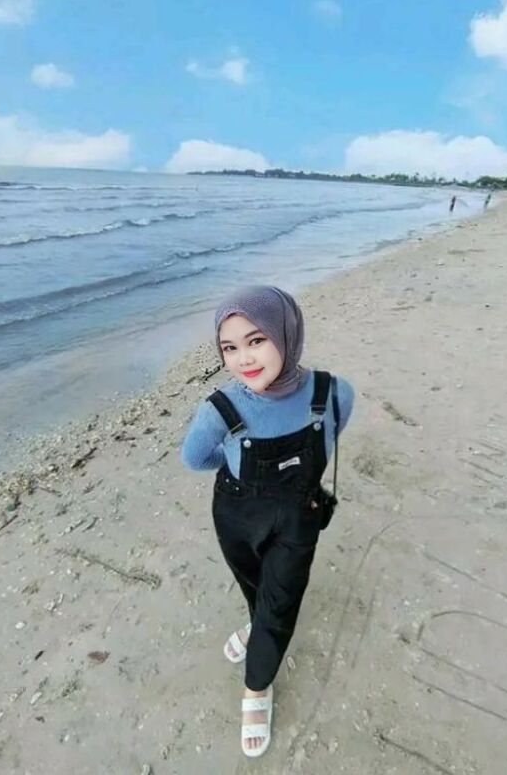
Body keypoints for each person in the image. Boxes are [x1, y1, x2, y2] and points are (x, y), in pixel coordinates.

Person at [181, 285, 354, 757]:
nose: (244, 359)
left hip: (298, 518)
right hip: (237, 515)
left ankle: (257, 687)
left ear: (286, 332)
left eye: (256, 340)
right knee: (254, 585)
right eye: (229, 347)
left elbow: (332, 430)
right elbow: (194, 457)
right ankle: (255, 625)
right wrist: (238, 464)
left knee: (280, 603)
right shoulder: (221, 409)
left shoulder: (332, 392)